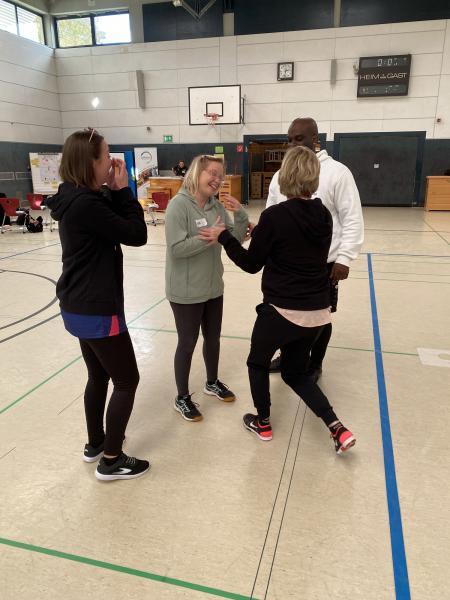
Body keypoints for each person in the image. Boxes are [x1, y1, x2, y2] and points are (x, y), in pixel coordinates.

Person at [199, 146, 356, 453]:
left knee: (256, 363)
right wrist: (263, 232)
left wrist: (224, 237)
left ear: (285, 175)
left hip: (282, 312)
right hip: (317, 313)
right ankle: (337, 427)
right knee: (296, 373)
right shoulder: (323, 214)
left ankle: (263, 422)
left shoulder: (275, 216)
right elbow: (295, 242)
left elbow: (251, 264)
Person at [46, 128, 150, 481]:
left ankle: (96, 443)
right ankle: (112, 459)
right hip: (97, 308)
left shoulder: (73, 196)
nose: (111, 161)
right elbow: (137, 234)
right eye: (106, 156)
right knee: (127, 380)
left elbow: (106, 210)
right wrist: (123, 190)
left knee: (98, 375)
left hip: (77, 304)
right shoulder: (87, 205)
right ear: (90, 163)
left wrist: (112, 189)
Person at [267, 117, 364, 381]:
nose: (293, 144)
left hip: (324, 265)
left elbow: (352, 218)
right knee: (285, 313)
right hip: (285, 264)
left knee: (321, 317)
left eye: (299, 138)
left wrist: (344, 258)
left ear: (315, 139)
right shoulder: (279, 175)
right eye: (289, 139)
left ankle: (315, 363)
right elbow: (271, 214)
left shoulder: (337, 172)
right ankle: (287, 356)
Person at [165, 154, 249, 422]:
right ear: (196, 173)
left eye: (220, 176)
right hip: (186, 291)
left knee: (213, 339)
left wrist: (241, 214)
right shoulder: (178, 206)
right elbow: (176, 249)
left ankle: (212, 382)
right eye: (212, 173)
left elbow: (234, 239)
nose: (217, 179)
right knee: (187, 343)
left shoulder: (216, 207)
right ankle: (182, 397)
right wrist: (210, 238)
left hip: (213, 287)